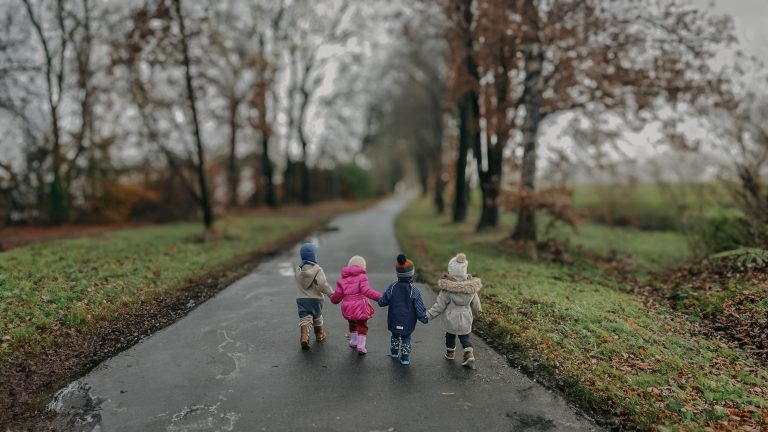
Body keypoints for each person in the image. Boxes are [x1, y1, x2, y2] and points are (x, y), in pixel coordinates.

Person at [426, 253, 482, 367]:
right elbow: (476, 303)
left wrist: (428, 315)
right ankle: (469, 353)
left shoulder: (447, 290)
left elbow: (439, 305)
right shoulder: (471, 289)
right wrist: (478, 312)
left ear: (451, 270)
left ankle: (450, 353)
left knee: (450, 335)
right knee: (464, 336)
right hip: (466, 317)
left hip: (451, 318)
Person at [378, 254, 428, 365]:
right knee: (406, 337)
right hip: (408, 321)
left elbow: (383, 302)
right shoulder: (414, 290)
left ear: (398, 274)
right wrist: (424, 317)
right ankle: (405, 358)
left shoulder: (392, 287)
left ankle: (394, 352)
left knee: (395, 335)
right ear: (412, 273)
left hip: (394, 319)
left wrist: (380, 300)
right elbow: (419, 306)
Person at [330, 255, 382, 354]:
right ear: (362, 267)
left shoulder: (342, 279)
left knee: (352, 323)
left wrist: (333, 299)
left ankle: (354, 341)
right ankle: (361, 346)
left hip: (348, 306)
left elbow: (338, 295)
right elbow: (367, 291)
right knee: (362, 324)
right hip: (360, 306)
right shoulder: (362, 277)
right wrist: (379, 297)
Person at [294, 243, 335, 349]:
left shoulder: (298, 270)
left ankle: (304, 336)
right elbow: (322, 284)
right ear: (314, 255)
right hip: (315, 299)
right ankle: (319, 334)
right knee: (317, 317)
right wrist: (331, 293)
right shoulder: (317, 269)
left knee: (305, 318)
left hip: (301, 299)